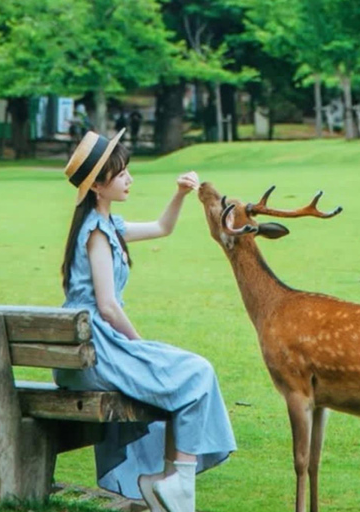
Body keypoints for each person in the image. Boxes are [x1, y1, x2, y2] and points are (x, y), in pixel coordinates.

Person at [55, 128, 236, 512]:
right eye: (122, 175)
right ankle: (178, 483)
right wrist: (139, 345)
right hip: (93, 350)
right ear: (99, 186)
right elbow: (107, 305)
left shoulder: (107, 226)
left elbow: (162, 228)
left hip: (86, 349)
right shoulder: (97, 233)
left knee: (187, 374)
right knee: (196, 372)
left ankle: (171, 483)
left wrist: (181, 194)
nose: (129, 179)